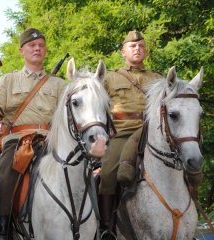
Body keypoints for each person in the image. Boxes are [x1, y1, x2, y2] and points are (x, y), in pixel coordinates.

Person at [0, 28, 66, 240]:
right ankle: (2, 229)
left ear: (45, 50)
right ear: (22, 51)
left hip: (50, 139)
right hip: (17, 141)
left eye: (41, 46)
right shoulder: (8, 80)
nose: (37, 49)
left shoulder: (59, 84)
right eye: (32, 46)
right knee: (4, 176)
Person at [98, 30, 163, 239]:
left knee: (186, 164)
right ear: (123, 52)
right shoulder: (109, 78)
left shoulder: (158, 78)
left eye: (141, 46)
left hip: (153, 132)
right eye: (133, 46)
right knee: (107, 172)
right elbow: (97, 108)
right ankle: (107, 226)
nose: (138, 49)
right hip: (123, 132)